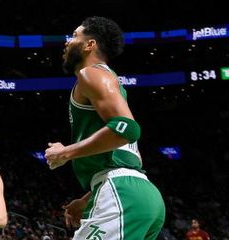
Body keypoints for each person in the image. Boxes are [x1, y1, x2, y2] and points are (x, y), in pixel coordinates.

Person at [44, 16, 165, 240]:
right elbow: (123, 155)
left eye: (74, 36)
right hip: (141, 194)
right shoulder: (107, 83)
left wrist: (65, 152)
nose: (67, 42)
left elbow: (127, 129)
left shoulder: (91, 73)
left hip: (122, 192)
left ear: (90, 44)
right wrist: (87, 199)